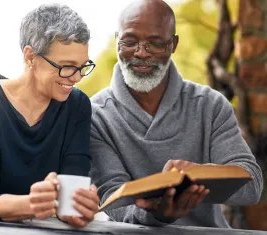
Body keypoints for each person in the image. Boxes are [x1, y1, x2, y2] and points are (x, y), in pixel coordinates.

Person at [89, 0, 263, 228]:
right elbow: (111, 197)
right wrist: (155, 215)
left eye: (155, 43)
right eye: (130, 42)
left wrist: (200, 175)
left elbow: (252, 187)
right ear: (117, 41)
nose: (141, 53)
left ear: (174, 44)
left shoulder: (210, 105)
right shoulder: (95, 115)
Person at [0, 3, 99, 227]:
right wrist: (31, 204)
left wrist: (77, 206)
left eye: (82, 66)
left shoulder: (77, 105)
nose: (77, 77)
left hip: (33, 228)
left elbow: (69, 198)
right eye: (66, 66)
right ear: (30, 56)